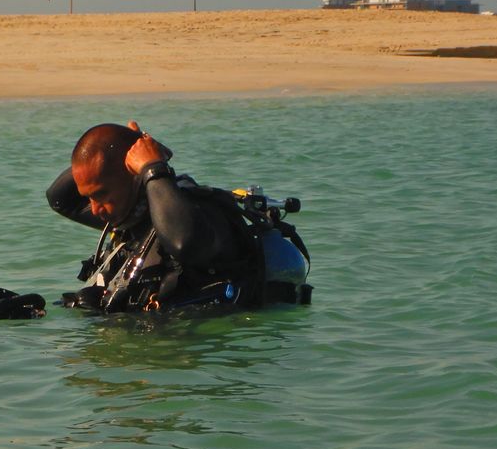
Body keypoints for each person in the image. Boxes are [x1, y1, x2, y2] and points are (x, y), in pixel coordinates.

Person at [46, 121, 308, 313]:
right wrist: (129, 144)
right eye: (89, 197)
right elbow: (60, 199)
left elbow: (184, 243)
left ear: (135, 176)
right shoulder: (133, 217)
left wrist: (152, 167)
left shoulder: (198, 214)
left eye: (101, 195)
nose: (94, 209)